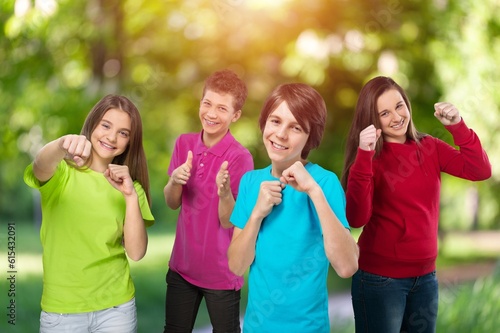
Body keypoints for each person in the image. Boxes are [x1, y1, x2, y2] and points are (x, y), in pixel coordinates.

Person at [341, 76, 492, 333]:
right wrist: (364, 154)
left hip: (426, 279)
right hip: (380, 280)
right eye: (384, 113)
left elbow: (480, 170)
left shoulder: (430, 147)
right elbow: (357, 218)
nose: (397, 117)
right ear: (373, 120)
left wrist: (458, 126)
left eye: (399, 106)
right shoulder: (369, 159)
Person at [227, 83, 359, 333]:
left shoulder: (325, 183)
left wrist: (314, 192)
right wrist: (256, 214)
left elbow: (346, 266)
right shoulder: (250, 182)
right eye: (275, 121)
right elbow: (236, 266)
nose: (281, 134)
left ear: (311, 137)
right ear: (264, 123)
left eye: (296, 127)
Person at [24, 94, 155, 333]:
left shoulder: (131, 188)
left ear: (129, 142)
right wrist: (61, 144)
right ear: (92, 124)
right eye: (106, 125)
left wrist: (129, 196)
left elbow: (136, 252)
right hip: (62, 311)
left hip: (117, 309)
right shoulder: (61, 173)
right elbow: (39, 166)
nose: (112, 137)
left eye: (123, 133)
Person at [163, 69, 253, 333]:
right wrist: (175, 181)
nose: (211, 114)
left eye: (222, 108)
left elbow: (229, 220)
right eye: (207, 103)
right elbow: (171, 202)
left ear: (235, 115)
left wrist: (225, 193)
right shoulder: (184, 143)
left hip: (221, 274)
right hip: (182, 268)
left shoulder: (240, 158)